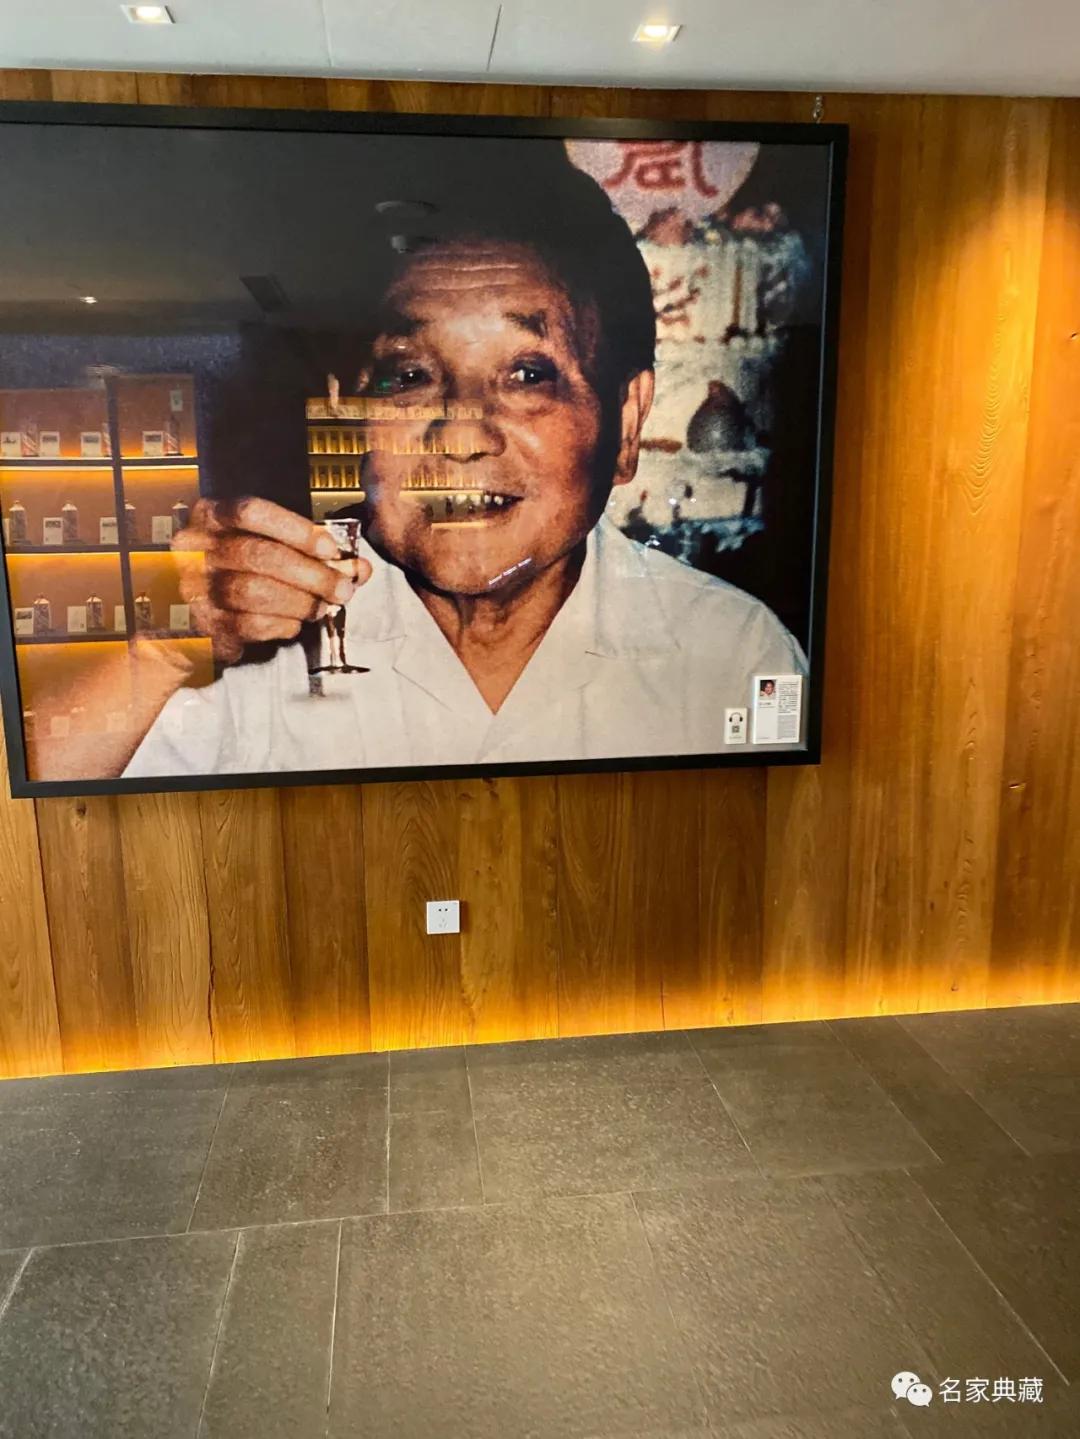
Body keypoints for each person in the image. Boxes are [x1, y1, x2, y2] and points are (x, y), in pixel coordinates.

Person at [34, 148, 807, 782]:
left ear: (628, 422)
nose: (461, 433)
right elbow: (41, 805)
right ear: (353, 411)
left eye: (528, 373)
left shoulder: (731, 650)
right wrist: (165, 646)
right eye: (409, 375)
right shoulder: (263, 631)